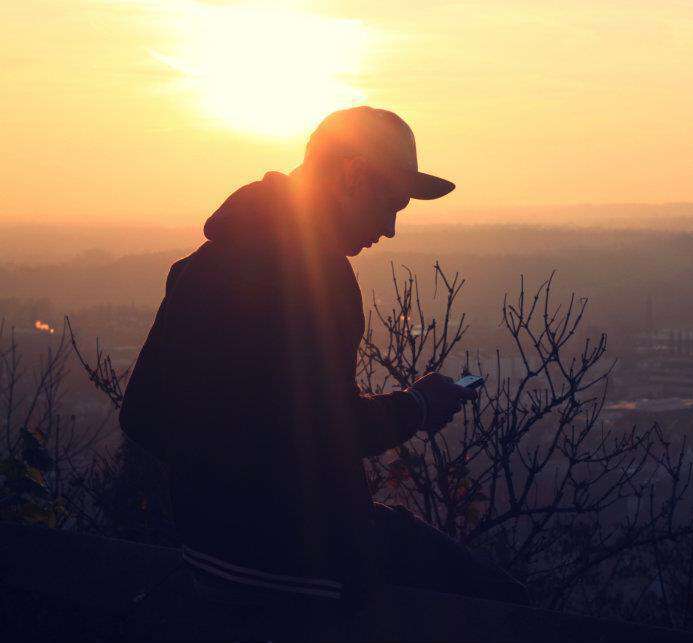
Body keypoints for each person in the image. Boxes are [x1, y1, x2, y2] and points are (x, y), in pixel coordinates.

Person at [119, 107, 529, 616]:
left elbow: (141, 415)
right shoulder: (317, 275)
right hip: (301, 570)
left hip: (208, 555)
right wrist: (420, 406)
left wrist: (224, 480)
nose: (391, 227)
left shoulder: (204, 264)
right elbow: (330, 431)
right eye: (391, 202)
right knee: (509, 608)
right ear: (353, 174)